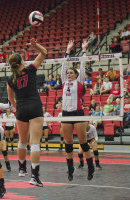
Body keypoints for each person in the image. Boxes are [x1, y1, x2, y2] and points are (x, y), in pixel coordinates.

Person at [7, 38, 47, 186]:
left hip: (22, 108)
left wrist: (17, 107)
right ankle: (34, 177)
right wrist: (35, 46)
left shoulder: (10, 79)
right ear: (22, 61)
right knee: (35, 143)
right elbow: (44, 52)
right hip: (35, 106)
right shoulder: (30, 69)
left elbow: (11, 98)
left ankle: (22, 169)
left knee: (22, 141)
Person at [60, 40, 95, 181]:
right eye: (67, 73)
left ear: (76, 74)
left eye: (71, 73)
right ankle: (70, 169)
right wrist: (67, 51)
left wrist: (84, 50)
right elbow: (63, 66)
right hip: (66, 114)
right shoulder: (63, 82)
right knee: (68, 143)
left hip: (78, 113)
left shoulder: (79, 82)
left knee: (83, 142)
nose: (68, 74)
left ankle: (90, 167)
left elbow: (82, 64)